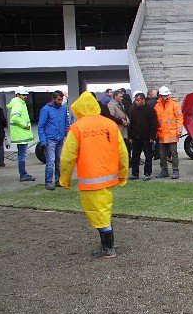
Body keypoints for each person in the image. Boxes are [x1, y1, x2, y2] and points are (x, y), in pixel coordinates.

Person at [60, 91, 129, 259]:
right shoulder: (110, 124)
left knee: (98, 212)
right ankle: (109, 243)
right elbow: (123, 153)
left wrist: (65, 179)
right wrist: (123, 174)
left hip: (90, 178)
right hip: (109, 176)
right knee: (104, 209)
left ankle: (108, 248)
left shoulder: (77, 128)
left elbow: (67, 157)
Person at [37, 90, 70, 190]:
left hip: (60, 139)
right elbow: (41, 126)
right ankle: (48, 182)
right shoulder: (46, 109)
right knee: (51, 161)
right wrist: (43, 141)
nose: (60, 102)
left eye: (61, 100)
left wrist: (66, 135)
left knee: (59, 161)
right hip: (50, 139)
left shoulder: (63, 109)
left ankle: (58, 181)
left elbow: (66, 123)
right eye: (59, 100)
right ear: (54, 99)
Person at [154, 86, 183, 179]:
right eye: (165, 95)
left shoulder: (174, 104)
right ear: (160, 96)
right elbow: (156, 121)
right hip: (162, 134)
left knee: (173, 153)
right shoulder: (157, 106)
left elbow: (179, 118)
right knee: (162, 154)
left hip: (172, 133)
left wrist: (179, 130)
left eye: (167, 95)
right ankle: (164, 171)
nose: (167, 97)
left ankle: (175, 170)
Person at [128, 91, 158, 181]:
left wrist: (152, 137)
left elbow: (154, 124)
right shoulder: (133, 109)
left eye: (138, 100)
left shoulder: (149, 110)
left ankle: (147, 173)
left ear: (143, 100)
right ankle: (135, 173)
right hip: (136, 137)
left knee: (148, 156)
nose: (136, 102)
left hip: (146, 137)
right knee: (135, 156)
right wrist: (130, 136)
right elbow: (131, 123)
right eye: (136, 100)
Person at [7, 87, 35, 182]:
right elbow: (15, 118)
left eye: (25, 95)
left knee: (21, 155)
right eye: (23, 95)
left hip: (20, 133)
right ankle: (23, 174)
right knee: (22, 156)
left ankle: (23, 173)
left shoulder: (17, 103)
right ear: (18, 95)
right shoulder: (18, 104)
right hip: (21, 133)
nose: (25, 97)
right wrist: (25, 125)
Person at [108, 90, 130, 157]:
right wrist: (121, 121)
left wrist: (127, 121)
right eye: (120, 96)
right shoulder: (111, 105)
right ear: (115, 96)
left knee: (126, 146)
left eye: (122, 96)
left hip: (124, 128)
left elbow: (124, 114)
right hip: (119, 129)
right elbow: (111, 117)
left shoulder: (120, 104)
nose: (122, 98)